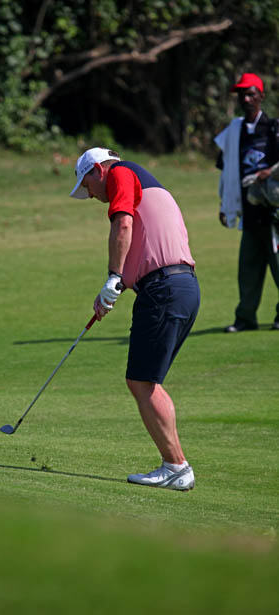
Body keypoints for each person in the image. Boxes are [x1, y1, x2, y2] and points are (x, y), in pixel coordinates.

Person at [70, 147, 200, 491]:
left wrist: (113, 276)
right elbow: (145, 248)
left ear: (98, 170)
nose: (91, 195)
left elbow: (123, 223)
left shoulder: (120, 174)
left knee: (141, 381)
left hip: (164, 289)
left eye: (87, 186)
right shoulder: (142, 181)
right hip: (182, 287)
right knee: (147, 381)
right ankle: (176, 465)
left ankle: (176, 467)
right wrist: (112, 290)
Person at [215, 73, 279, 332]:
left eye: (251, 94)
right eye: (242, 94)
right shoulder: (234, 131)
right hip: (249, 213)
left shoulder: (273, 128)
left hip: (274, 214)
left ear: (261, 96)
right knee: (248, 270)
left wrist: (269, 172)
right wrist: (224, 205)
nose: (246, 99)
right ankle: (245, 318)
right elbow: (226, 170)